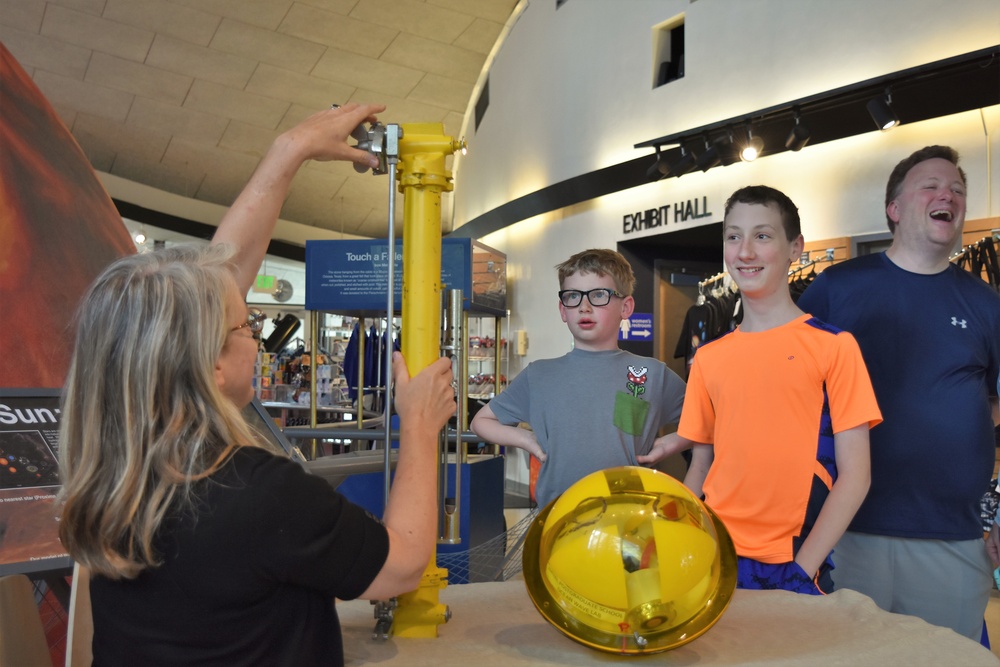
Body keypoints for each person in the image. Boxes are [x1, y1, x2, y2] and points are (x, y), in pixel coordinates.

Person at [56, 103, 458, 666]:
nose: (257, 336)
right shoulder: (257, 494)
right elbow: (401, 564)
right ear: (211, 367)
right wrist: (418, 425)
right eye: (247, 326)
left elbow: (217, 283)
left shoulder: (107, 474)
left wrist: (290, 150)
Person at [797, 146, 1000, 638]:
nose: (947, 195)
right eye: (930, 185)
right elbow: (789, 389)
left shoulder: (984, 302)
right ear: (894, 207)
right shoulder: (835, 288)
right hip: (843, 530)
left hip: (951, 537)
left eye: (957, 190)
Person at [639, 185, 881, 594]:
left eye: (762, 236)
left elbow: (856, 476)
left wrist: (802, 570)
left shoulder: (834, 346)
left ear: (795, 247)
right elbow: (701, 465)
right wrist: (673, 537)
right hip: (714, 552)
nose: (745, 251)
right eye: (734, 237)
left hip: (794, 560)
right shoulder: (710, 357)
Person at [470, 248, 686, 508]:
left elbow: (707, 420)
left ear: (625, 307)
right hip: (558, 520)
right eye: (573, 296)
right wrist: (526, 439)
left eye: (598, 295)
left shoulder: (651, 374)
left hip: (628, 519)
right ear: (563, 310)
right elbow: (481, 421)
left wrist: (667, 445)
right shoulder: (539, 375)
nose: (584, 306)